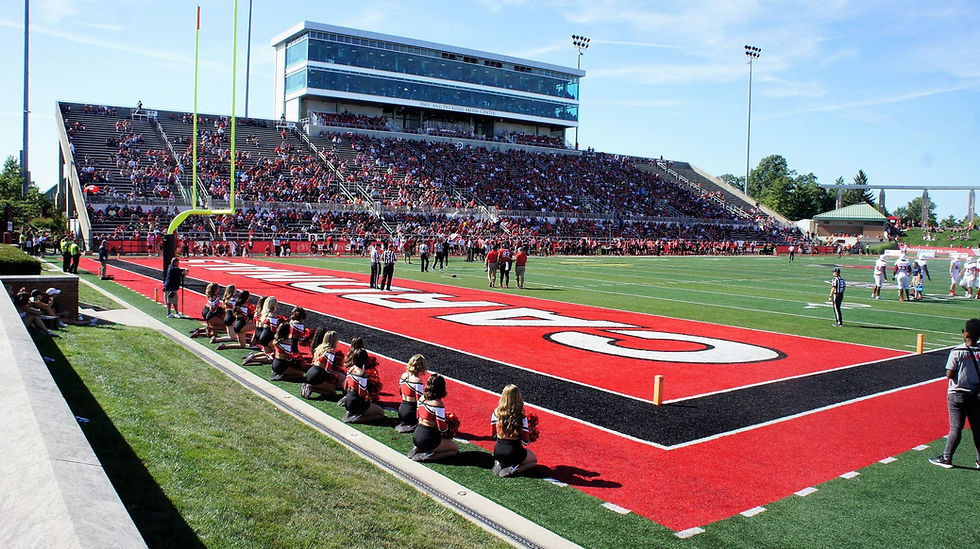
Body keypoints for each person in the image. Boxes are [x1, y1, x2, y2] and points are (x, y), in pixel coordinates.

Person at [930, 319, 980, 469]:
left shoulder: (957, 351)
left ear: (966, 334)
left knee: (956, 428)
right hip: (976, 394)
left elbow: (949, 374)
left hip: (957, 393)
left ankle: (947, 457)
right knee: (977, 428)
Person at [408, 374, 459, 462]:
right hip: (429, 439)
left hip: (416, 435)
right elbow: (442, 428)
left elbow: (418, 416)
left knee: (429, 440)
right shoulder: (438, 404)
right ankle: (428, 456)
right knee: (455, 450)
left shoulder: (421, 399)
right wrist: (451, 425)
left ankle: (417, 448)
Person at [490, 384, 538, 477]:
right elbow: (526, 442)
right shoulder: (521, 417)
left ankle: (499, 463)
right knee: (533, 460)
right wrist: (529, 431)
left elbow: (493, 435)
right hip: (514, 452)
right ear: (518, 398)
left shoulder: (496, 413)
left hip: (498, 451)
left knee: (505, 456)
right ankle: (513, 470)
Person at [341, 348, 386, 423]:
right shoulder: (362, 373)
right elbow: (362, 393)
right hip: (356, 403)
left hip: (347, 400)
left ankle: (352, 413)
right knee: (381, 413)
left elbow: (345, 386)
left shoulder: (350, 369)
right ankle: (356, 419)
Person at [301, 331, 345, 399]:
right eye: (337, 338)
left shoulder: (320, 348)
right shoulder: (330, 351)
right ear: (334, 340)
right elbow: (328, 369)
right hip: (317, 376)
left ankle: (309, 387)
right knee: (333, 393)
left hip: (310, 372)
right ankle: (311, 388)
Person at [396, 354, 428, 433]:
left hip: (401, 409)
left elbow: (400, 392)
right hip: (411, 412)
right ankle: (413, 425)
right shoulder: (417, 381)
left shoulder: (404, 376)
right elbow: (420, 401)